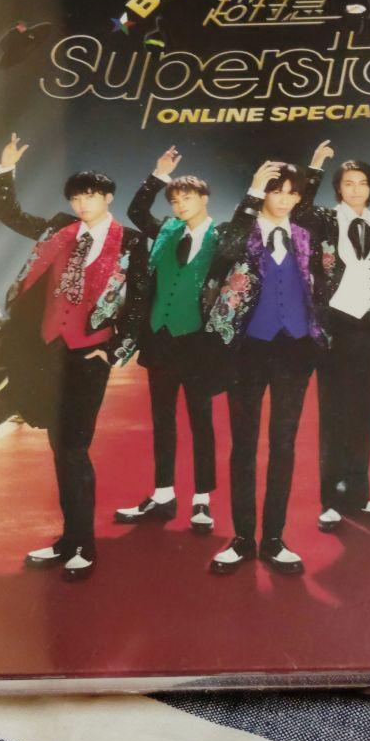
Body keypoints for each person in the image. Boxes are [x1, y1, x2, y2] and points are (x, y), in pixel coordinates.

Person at [0, 133, 146, 581]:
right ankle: (68, 539)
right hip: (46, 350)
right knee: (60, 447)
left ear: (108, 198)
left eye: (90, 196)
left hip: (88, 354)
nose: (82, 204)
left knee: (74, 449)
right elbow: (9, 213)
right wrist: (6, 169)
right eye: (76, 197)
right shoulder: (59, 228)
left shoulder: (132, 242)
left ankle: (84, 545)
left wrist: (114, 349)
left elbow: (139, 301)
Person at [203, 159, 331, 574]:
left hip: (295, 348)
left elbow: (323, 282)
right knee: (243, 444)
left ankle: (274, 538)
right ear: (262, 193)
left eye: (292, 192)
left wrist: (318, 330)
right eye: (276, 190)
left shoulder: (306, 235)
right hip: (248, 350)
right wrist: (252, 193)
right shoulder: (239, 230)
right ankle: (242, 538)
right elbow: (222, 258)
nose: (285, 199)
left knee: (284, 444)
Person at [114, 145, 224, 534]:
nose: (179, 205)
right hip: (160, 338)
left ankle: (202, 500)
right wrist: (158, 175)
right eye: (174, 200)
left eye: (186, 197)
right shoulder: (166, 230)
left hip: (197, 341)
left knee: (201, 422)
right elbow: (136, 212)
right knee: (162, 420)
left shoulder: (222, 236)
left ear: (204, 198)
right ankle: (163, 494)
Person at [297, 141, 370, 531]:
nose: (355, 189)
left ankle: (358, 495)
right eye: (348, 183)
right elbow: (300, 210)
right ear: (338, 188)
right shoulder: (326, 218)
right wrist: (314, 166)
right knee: (335, 412)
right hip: (338, 322)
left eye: (362, 183)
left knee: (365, 411)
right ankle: (330, 499)